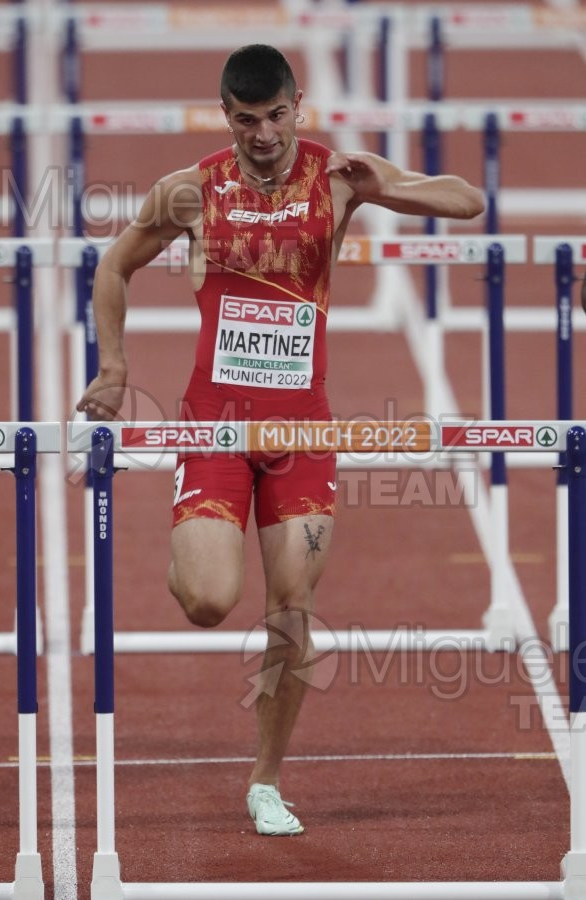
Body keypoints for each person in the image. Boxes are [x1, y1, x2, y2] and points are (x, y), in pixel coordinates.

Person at [77, 44, 485, 836]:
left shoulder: (338, 179)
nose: (263, 134)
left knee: (293, 610)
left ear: (298, 106)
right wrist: (115, 365)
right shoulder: (192, 192)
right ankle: (194, 536)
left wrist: (385, 183)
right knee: (206, 600)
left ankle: (265, 781)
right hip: (217, 428)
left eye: (275, 116)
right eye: (245, 119)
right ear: (224, 114)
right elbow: (114, 266)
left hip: (301, 431)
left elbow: (465, 201)